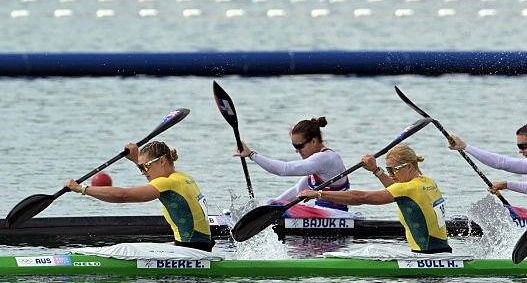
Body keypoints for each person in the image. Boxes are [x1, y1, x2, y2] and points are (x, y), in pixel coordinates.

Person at [298, 145, 451, 253]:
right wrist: (376, 170)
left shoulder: (408, 188)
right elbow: (398, 190)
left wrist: (319, 194)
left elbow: (360, 198)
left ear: (409, 167)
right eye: (388, 169)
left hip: (426, 257)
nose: (391, 174)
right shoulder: (428, 182)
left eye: (393, 169)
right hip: (441, 252)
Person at [64, 141, 214, 251]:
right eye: (141, 168)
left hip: (190, 251)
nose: (142, 172)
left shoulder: (167, 183)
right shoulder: (184, 178)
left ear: (162, 161)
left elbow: (123, 196)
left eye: (145, 167)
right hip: (200, 247)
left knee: (122, 250)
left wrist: (81, 188)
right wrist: (137, 159)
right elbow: (155, 176)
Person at [447, 121, 527, 215]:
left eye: (523, 146)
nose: (520, 151)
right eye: (518, 146)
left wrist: (465, 147)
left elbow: (501, 163)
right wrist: (507, 184)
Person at [234, 116, 353, 217]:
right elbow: (297, 190)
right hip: (323, 213)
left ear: (314, 141)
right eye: (294, 146)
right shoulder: (317, 164)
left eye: (300, 146)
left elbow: (284, 169)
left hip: (335, 215)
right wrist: (270, 205)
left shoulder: (327, 158)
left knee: (278, 208)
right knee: (272, 204)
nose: (297, 151)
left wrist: (251, 154)